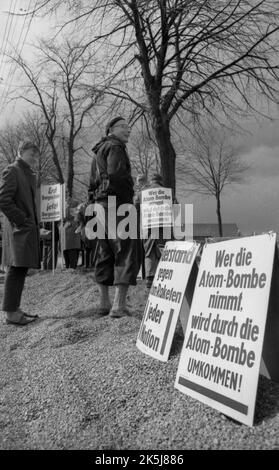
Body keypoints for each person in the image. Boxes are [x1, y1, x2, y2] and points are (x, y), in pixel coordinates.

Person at [90, 116, 138, 318]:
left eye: (129, 127)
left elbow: (92, 183)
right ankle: (119, 305)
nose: (128, 130)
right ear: (111, 129)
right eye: (123, 127)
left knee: (104, 251)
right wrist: (129, 193)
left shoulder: (98, 150)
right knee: (126, 248)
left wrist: (93, 202)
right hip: (116, 203)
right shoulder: (116, 147)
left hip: (100, 204)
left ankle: (103, 302)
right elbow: (116, 175)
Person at [0, 140, 41, 325]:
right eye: (31, 153)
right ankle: (10, 313)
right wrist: (22, 220)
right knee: (15, 268)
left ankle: (14, 308)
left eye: (36, 154)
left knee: (21, 268)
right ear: (21, 151)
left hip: (25, 229)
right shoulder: (13, 170)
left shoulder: (27, 173)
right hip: (18, 230)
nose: (34, 157)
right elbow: (3, 199)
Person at [141, 173, 173, 288]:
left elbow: (135, 205)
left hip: (148, 226)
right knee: (164, 251)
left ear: (150, 181)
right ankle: (163, 278)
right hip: (165, 226)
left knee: (149, 251)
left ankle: (150, 279)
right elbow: (176, 207)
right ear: (161, 181)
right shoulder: (167, 192)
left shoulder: (143, 193)